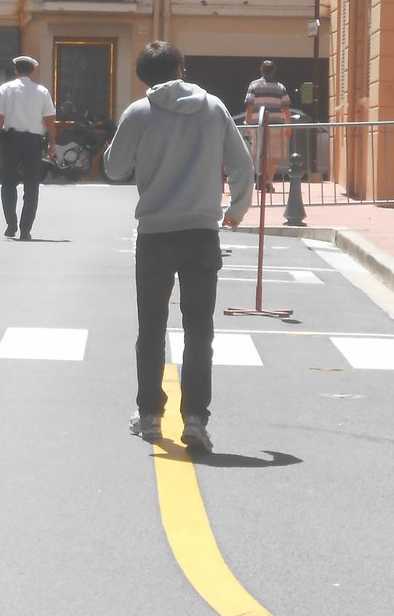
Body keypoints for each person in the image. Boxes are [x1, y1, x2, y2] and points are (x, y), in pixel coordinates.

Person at [102, 41, 254, 454]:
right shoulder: (214, 108)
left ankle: (150, 416)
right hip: (202, 232)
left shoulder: (138, 112)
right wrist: (236, 209)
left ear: (144, 77)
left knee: (151, 328)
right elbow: (242, 165)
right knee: (199, 330)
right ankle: (195, 420)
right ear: (182, 69)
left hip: (154, 234)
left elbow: (115, 168)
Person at [0, 56, 57, 240]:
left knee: (8, 183)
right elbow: (50, 119)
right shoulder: (42, 91)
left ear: (16, 70)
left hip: (10, 141)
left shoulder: (6, 89)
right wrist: (52, 143)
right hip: (33, 143)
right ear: (32, 71)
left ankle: (11, 224)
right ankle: (26, 229)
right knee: (32, 186)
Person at [244, 60, 292, 193]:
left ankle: (260, 174)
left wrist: (247, 123)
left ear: (261, 70)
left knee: (257, 152)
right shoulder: (280, 87)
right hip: (276, 124)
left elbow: (250, 105)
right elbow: (286, 108)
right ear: (274, 71)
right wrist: (288, 126)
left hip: (257, 124)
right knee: (274, 154)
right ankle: (268, 180)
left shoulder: (253, 85)